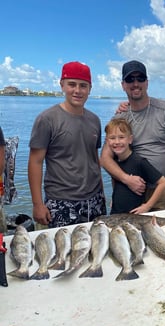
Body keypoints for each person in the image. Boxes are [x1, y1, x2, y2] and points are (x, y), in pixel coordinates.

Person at [28, 61, 106, 228]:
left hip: (94, 199)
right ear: (62, 85)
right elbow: (35, 161)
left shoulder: (94, 120)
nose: (77, 90)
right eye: (72, 84)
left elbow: (93, 159)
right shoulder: (47, 119)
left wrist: (102, 193)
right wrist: (37, 204)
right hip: (61, 201)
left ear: (90, 89)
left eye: (83, 86)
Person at [100, 60, 165, 210]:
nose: (135, 83)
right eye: (130, 79)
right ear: (123, 85)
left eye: (140, 79)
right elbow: (105, 158)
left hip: (163, 187)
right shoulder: (120, 118)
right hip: (133, 188)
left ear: (146, 83)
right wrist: (126, 180)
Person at [105, 117, 165, 214]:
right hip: (116, 212)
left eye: (121, 137)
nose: (117, 142)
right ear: (107, 141)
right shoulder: (114, 161)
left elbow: (163, 183)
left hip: (134, 214)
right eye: (112, 138)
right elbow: (115, 179)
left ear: (130, 139)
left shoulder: (139, 161)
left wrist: (147, 206)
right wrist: (115, 197)